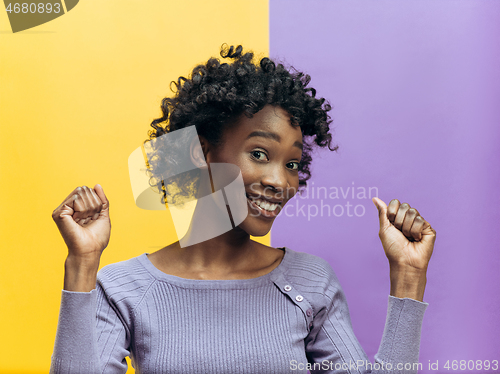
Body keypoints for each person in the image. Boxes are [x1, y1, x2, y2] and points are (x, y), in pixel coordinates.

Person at [50, 45, 436, 374]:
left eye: (292, 164)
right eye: (259, 154)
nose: (280, 181)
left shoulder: (308, 282)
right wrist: (82, 263)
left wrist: (408, 276)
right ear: (200, 153)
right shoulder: (124, 289)